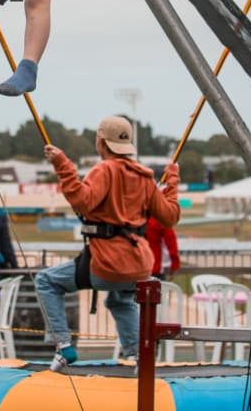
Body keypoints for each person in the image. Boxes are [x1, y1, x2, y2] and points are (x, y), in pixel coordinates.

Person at [35, 116, 180, 371]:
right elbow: (169, 217)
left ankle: (63, 346)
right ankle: (138, 356)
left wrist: (62, 165)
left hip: (106, 265)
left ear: (100, 142)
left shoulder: (104, 169)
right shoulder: (145, 177)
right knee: (119, 301)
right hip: (139, 267)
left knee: (46, 281)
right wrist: (172, 184)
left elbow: (82, 201)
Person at [146, 214, 180, 281]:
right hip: (155, 269)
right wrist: (174, 264)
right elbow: (171, 244)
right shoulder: (159, 221)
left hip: (133, 269)